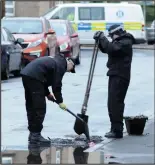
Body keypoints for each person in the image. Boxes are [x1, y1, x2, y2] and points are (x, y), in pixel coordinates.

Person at [20, 53, 76, 144]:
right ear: (70, 63)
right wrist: (60, 101)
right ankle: (36, 135)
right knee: (39, 108)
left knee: (31, 105)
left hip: (27, 74)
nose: (69, 71)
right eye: (71, 69)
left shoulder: (55, 61)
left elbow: (44, 78)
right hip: (34, 77)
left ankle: (32, 134)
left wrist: (47, 93)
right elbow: (56, 85)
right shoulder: (61, 65)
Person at [93, 24, 136, 138]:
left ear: (118, 32)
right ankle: (114, 128)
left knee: (115, 103)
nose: (111, 38)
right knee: (111, 103)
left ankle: (117, 130)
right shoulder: (120, 42)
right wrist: (99, 41)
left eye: (112, 35)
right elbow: (108, 49)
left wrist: (103, 38)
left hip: (120, 76)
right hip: (115, 74)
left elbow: (112, 48)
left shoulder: (125, 42)